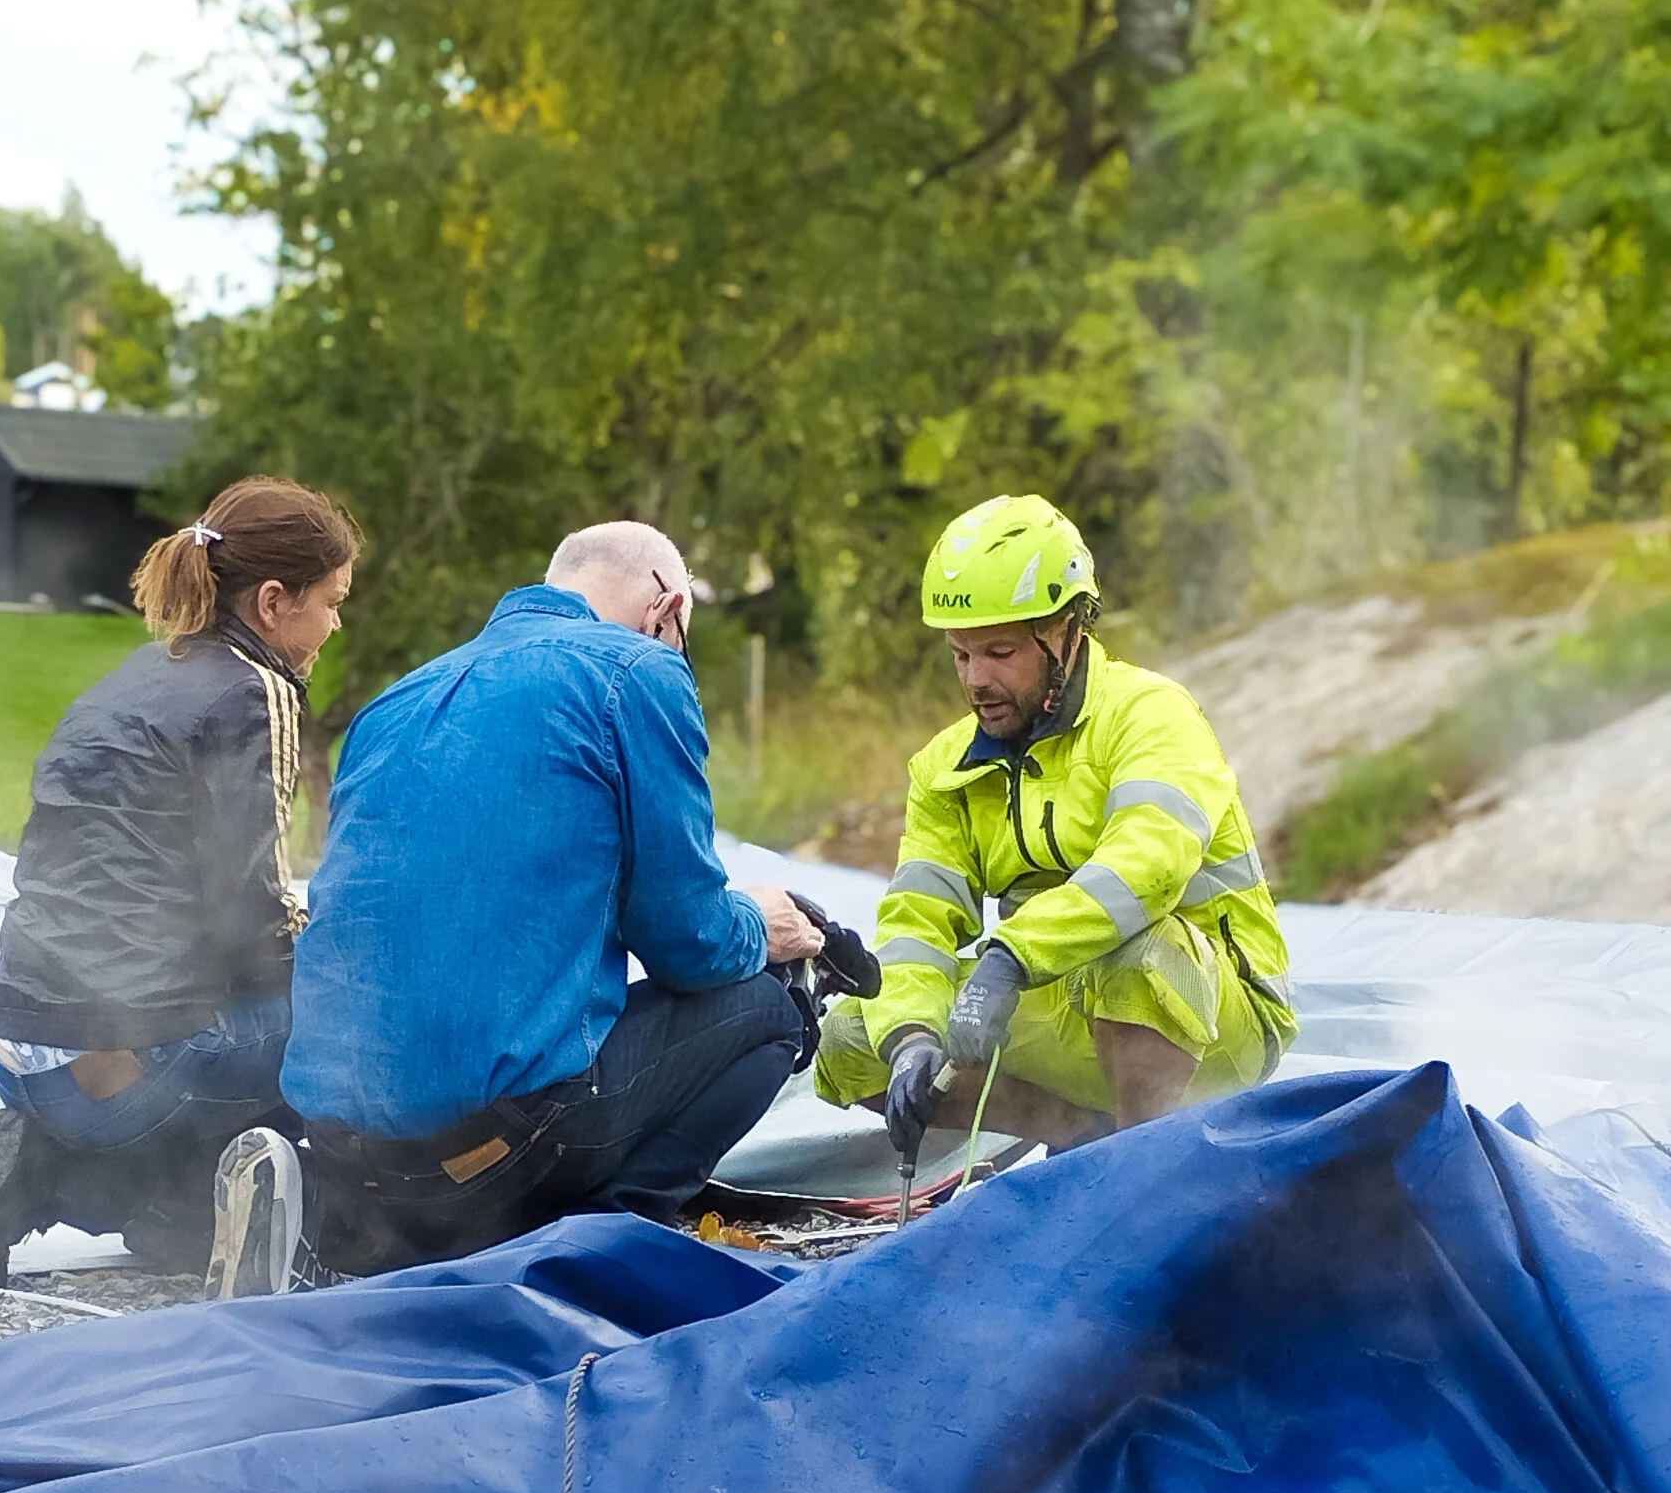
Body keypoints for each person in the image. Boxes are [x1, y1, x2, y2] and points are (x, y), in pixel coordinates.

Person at [204, 519, 824, 1294]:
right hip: (494, 1155)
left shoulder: (397, 700)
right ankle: (588, 1254)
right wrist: (764, 924)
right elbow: (690, 941)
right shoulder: (636, 672)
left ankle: (341, 1233)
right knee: (767, 1009)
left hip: (344, 1150)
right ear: (664, 610)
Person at [0, 476, 361, 1285]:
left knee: (240, 1024)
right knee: (353, 1020)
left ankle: (43, 1172)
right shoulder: (252, 689)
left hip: (23, 1055)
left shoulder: (143, 669)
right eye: (331, 601)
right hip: (126, 1073)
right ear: (273, 601)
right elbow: (249, 913)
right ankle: (242, 1216)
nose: (335, 624)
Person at [815, 492, 1295, 1164]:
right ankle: (1080, 1145)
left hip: (1214, 1021)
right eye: (960, 656)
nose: (976, 679)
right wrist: (912, 1042)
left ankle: (1142, 1174)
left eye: (1001, 651)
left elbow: (1145, 866)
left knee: (1138, 955)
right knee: (852, 1037)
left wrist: (1009, 957)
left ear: (1068, 629)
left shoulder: (1152, 714)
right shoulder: (944, 769)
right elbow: (916, 926)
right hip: (1065, 1010)